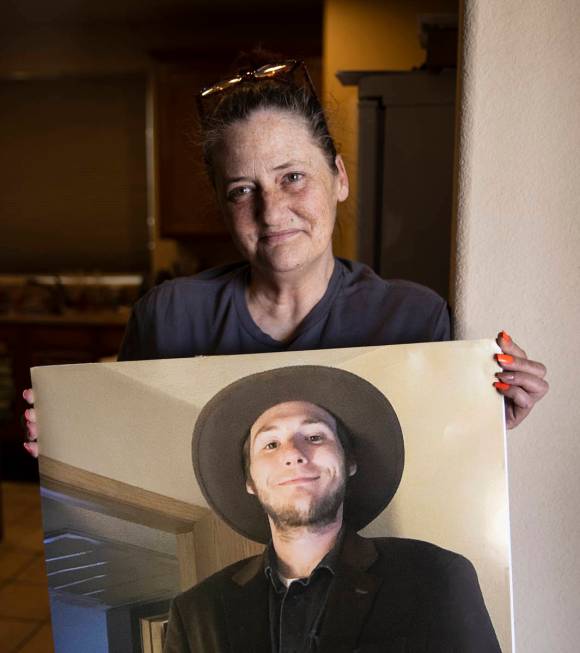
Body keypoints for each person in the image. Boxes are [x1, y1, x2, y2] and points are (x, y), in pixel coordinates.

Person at [22, 56, 548, 455]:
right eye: (241, 190)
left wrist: (483, 426)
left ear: (338, 178)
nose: (272, 213)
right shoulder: (167, 316)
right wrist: (74, 441)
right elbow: (133, 448)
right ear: (224, 207)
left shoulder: (412, 318)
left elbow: (432, 464)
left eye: (292, 177)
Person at [164, 365, 502, 652]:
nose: (293, 453)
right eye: (270, 444)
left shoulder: (435, 577)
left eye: (314, 437)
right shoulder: (194, 614)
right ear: (251, 480)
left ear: (349, 461)